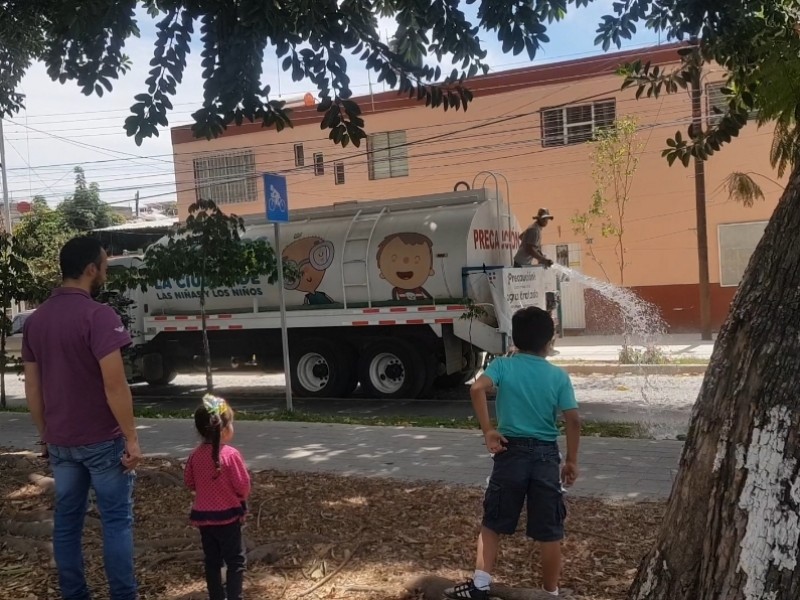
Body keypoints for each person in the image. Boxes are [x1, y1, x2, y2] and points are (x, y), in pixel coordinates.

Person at [22, 235, 142, 600]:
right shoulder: (99, 316)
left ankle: (74, 594)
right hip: (103, 441)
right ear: (91, 269)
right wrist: (132, 439)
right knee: (116, 523)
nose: (106, 269)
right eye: (104, 264)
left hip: (60, 442)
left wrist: (45, 434)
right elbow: (116, 386)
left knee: (67, 524)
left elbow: (33, 389)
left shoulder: (36, 321)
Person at [445, 306, 580, 599]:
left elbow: (476, 389)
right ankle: (550, 592)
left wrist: (488, 430)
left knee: (493, 522)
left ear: (515, 340)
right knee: (550, 531)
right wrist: (571, 460)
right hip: (546, 456)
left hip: (510, 454)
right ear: (550, 341)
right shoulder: (558, 376)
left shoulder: (503, 366)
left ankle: (480, 585)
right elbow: (573, 420)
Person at [184, 395, 251, 600]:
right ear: (223, 429)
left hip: (204, 518)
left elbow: (189, 481)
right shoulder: (230, 455)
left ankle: (216, 596)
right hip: (228, 518)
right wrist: (240, 498)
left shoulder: (195, 455)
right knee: (235, 560)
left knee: (212, 560)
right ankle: (234, 596)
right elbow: (243, 485)